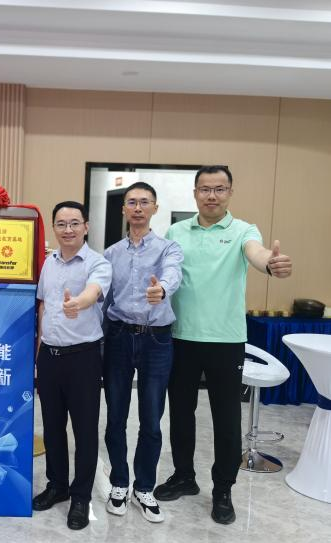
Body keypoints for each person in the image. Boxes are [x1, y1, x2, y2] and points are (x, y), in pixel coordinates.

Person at [154, 165, 292, 524]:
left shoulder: (243, 230)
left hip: (225, 341)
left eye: (219, 189)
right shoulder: (176, 231)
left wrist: (271, 263)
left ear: (230, 192)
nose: (211, 195)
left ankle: (223, 489)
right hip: (181, 337)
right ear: (195, 193)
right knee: (180, 413)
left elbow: (257, 253)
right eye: (205, 189)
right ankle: (184, 476)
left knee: (227, 418)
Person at [102, 182, 183, 523]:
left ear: (155, 208)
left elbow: (173, 274)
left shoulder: (168, 248)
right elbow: (102, 297)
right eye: (132, 202)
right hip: (119, 337)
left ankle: (144, 487)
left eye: (144, 202)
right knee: (115, 417)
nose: (138, 208)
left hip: (156, 341)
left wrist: (161, 289)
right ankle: (119, 483)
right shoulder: (110, 254)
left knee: (151, 418)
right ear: (123, 209)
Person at [32, 201, 112, 531]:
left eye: (74, 223)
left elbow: (93, 292)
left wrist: (78, 302)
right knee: (52, 427)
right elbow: (43, 307)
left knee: (84, 431)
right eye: (62, 224)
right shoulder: (48, 263)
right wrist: (38, 355)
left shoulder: (98, 263)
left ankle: (81, 497)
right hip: (49, 358)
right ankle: (57, 486)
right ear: (54, 227)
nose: (68, 229)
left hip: (83, 358)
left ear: (86, 227)